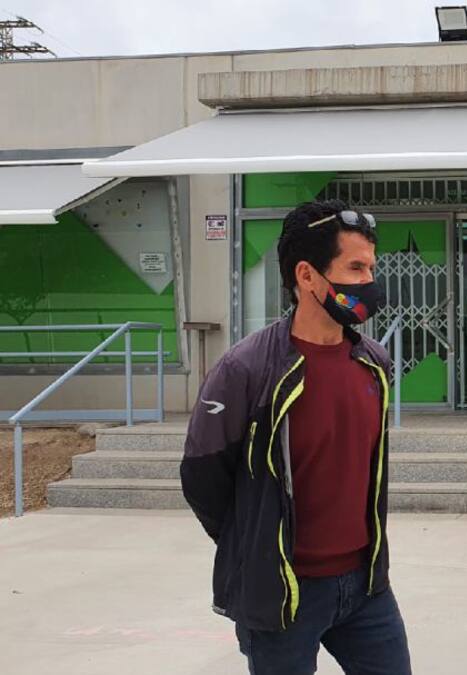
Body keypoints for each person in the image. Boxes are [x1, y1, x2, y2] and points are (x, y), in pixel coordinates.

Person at [181, 200, 412, 675]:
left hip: (366, 585)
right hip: (282, 593)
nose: (370, 280)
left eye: (371, 266)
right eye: (355, 267)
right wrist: (255, 543)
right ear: (307, 276)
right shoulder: (244, 370)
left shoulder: (374, 362)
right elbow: (203, 475)